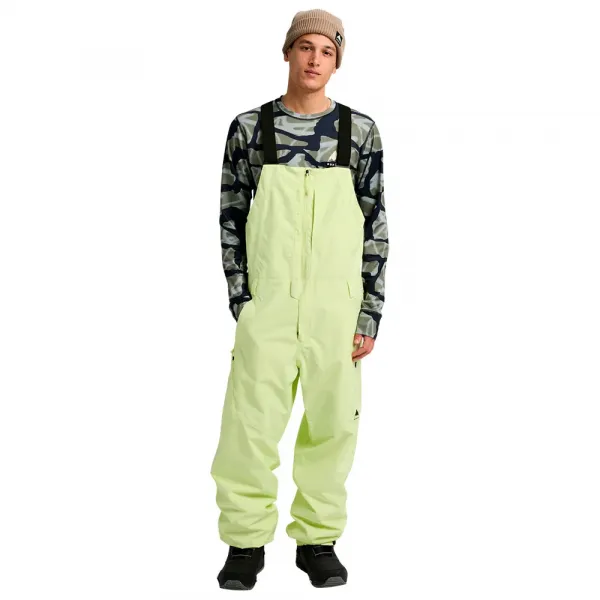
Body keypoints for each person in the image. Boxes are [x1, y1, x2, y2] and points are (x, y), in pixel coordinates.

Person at [210, 8, 388, 590]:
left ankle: (318, 540)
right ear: (287, 52)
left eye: (327, 51)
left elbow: (376, 223)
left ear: (337, 62)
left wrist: (369, 312)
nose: (315, 59)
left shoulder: (359, 132)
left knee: (334, 425)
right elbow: (231, 216)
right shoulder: (249, 128)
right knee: (249, 424)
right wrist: (244, 301)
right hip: (268, 306)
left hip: (337, 309)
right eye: (305, 47)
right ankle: (244, 542)